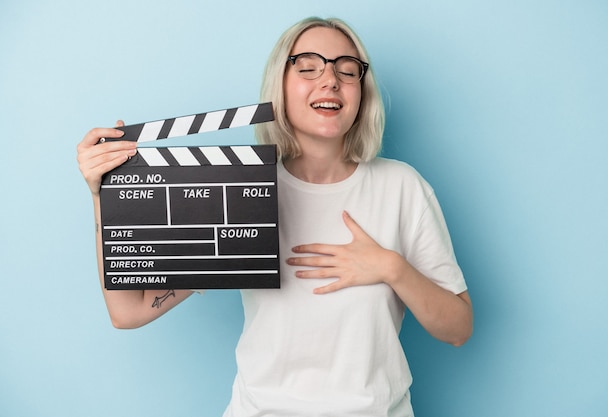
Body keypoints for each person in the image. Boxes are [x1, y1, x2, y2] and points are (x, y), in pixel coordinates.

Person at [77, 16, 472, 417]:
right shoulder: (237, 189)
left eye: (347, 70)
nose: (331, 79)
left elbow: (458, 328)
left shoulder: (401, 187)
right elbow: (128, 312)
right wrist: (103, 195)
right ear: (279, 88)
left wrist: (391, 267)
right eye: (308, 67)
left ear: (362, 93)